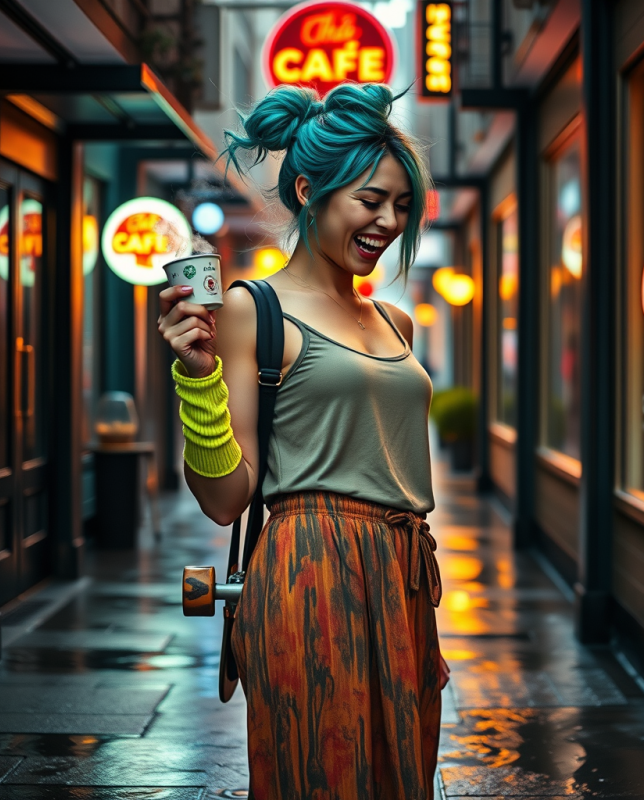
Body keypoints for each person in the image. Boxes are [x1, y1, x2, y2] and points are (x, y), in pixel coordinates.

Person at [158, 82, 446, 800]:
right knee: (320, 776)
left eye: (401, 206)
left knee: (402, 778)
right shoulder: (254, 311)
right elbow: (226, 499)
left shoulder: (396, 323)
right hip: (309, 568)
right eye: (370, 199)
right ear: (311, 190)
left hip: (406, 576)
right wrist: (198, 382)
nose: (387, 220)